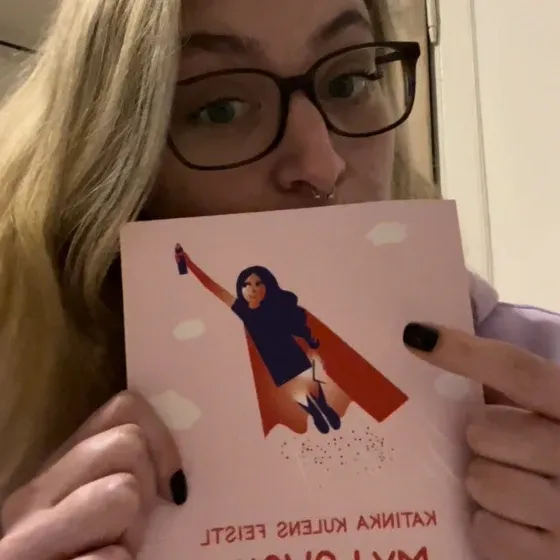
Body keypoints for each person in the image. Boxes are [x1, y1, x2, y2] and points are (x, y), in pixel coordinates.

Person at [0, 0, 558, 559]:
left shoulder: (539, 368)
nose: (322, 165)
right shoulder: (20, 418)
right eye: (221, 108)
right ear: (123, 163)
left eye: (348, 82)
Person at [175, 250, 408, 435]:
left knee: (311, 385)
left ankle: (324, 407)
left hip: (292, 353)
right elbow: (213, 287)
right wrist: (190, 264)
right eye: (247, 284)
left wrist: (309, 339)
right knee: (296, 393)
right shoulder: (242, 310)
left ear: (267, 286)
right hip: (273, 362)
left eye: (258, 284)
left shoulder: (276, 306)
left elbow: (296, 325)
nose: (252, 289)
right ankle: (315, 413)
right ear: (241, 289)